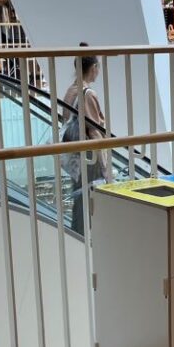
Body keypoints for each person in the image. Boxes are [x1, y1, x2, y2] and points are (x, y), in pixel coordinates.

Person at [61, 44, 108, 233]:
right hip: (90, 159)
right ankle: (87, 241)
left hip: (75, 157)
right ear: (94, 68)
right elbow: (94, 130)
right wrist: (104, 166)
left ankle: (76, 239)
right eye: (98, 68)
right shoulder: (88, 94)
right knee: (92, 202)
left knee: (79, 201)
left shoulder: (71, 91)